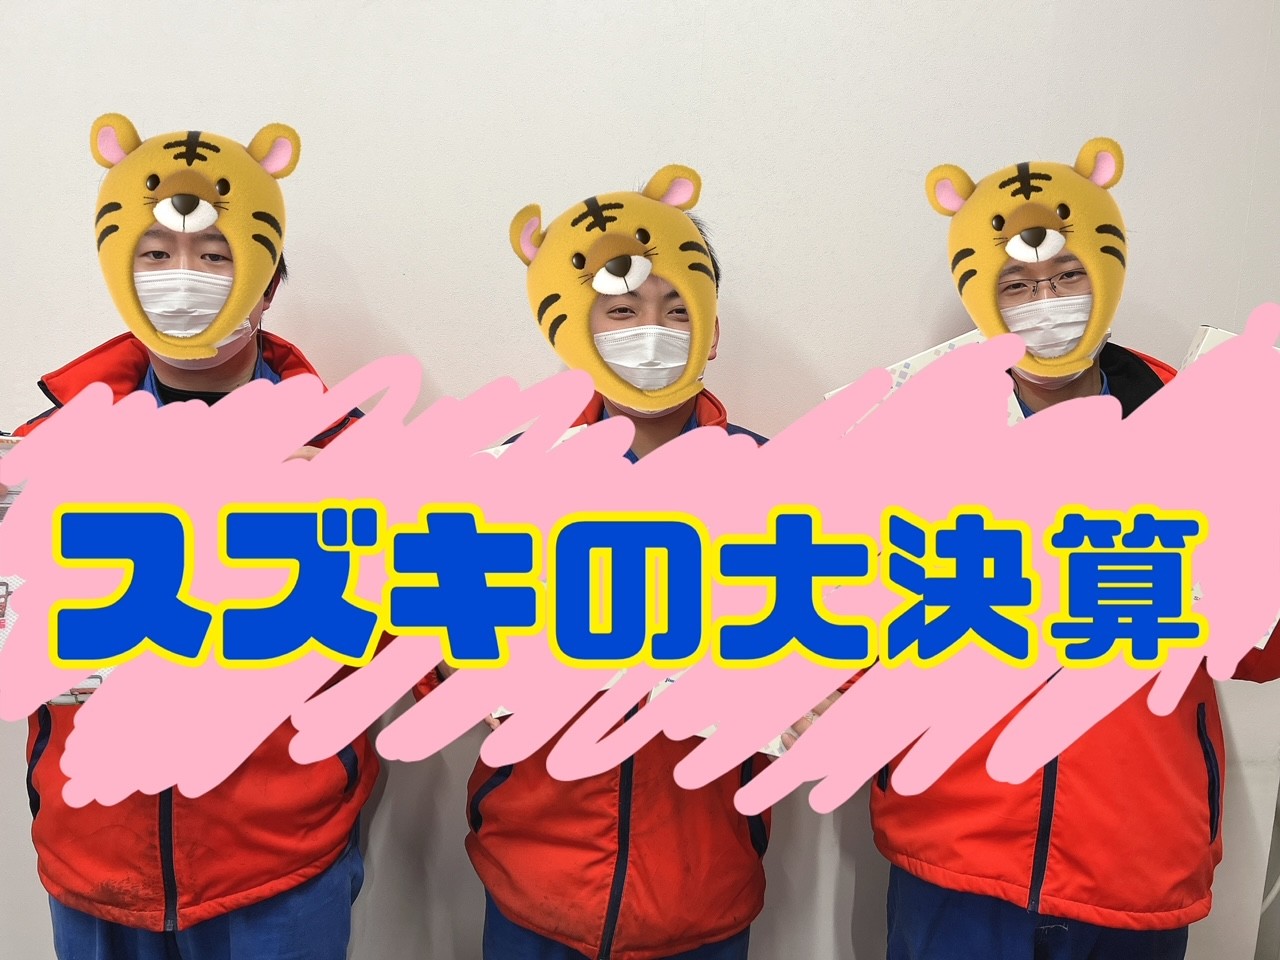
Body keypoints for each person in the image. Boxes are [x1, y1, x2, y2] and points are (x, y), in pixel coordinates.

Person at [871, 137, 1280, 959]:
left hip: (1135, 859)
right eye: (1016, 285)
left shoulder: (1202, 418)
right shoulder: (908, 426)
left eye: (1067, 276)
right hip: (956, 854)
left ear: (1108, 274)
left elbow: (1258, 653)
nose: (1046, 302)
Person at [417, 165, 819, 960]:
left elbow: (830, 645)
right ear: (576, 329)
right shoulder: (502, 482)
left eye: (677, 308)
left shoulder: (779, 488)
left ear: (711, 328)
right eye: (623, 310)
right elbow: (432, 644)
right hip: (535, 884)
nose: (652, 331)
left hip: (702, 890)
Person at [11, 113, 375, 960]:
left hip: (281, 866)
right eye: (156, 254)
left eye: (216, 256)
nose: (184, 278)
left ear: (268, 281)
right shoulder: (40, 450)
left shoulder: (351, 454)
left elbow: (425, 642)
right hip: (93, 855)